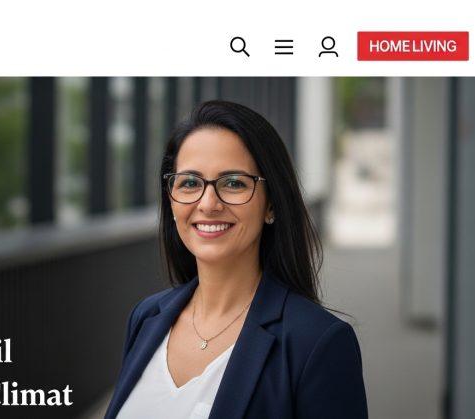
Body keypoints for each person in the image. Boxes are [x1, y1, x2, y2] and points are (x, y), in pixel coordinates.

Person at [104, 100, 368, 419]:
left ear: (271, 205)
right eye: (190, 183)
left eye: (233, 183)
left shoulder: (317, 343)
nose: (208, 203)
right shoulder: (146, 318)